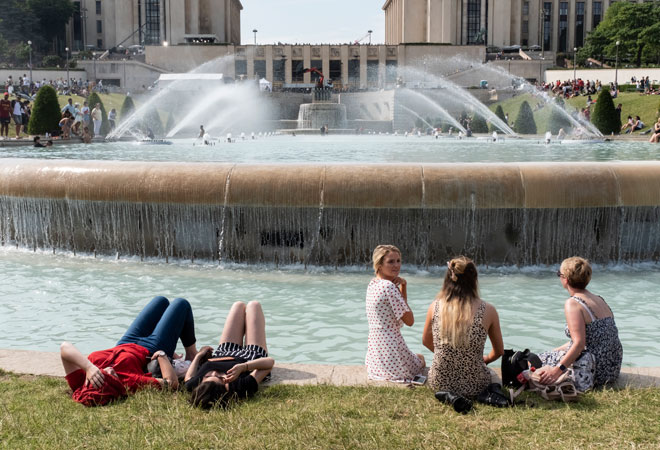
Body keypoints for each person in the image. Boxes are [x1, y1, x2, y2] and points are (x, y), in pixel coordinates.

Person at [60, 296, 198, 406]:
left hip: (125, 342)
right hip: (151, 348)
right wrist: (162, 355)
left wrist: (89, 367)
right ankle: (192, 355)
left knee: (160, 301)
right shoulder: (129, 382)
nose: (111, 371)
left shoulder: (81, 381)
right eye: (112, 378)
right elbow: (170, 384)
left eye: (104, 375)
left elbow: (64, 347)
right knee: (181, 304)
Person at [535, 257, 622, 392]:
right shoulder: (599, 299)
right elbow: (592, 339)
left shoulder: (573, 303)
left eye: (559, 274)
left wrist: (557, 371)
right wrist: (555, 351)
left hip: (594, 369)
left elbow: (579, 344)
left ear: (565, 279)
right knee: (548, 354)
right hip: (611, 368)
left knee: (533, 362)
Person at [422, 256, 504, 399]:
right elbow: (499, 351)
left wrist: (448, 355)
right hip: (476, 386)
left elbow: (426, 341)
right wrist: (485, 360)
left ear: (448, 278)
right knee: (494, 376)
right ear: (474, 279)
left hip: (439, 383)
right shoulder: (488, 310)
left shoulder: (434, 306)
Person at [185, 301, 274, 409]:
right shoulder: (239, 387)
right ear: (225, 387)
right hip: (250, 356)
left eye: (207, 376)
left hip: (224, 352)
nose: (214, 372)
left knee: (238, 305)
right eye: (219, 377)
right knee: (254, 305)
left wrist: (199, 356)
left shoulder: (196, 384)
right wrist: (244, 367)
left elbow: (188, 378)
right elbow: (269, 363)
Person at [365, 245, 425, 383]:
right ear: (379, 265)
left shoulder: (372, 284)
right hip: (392, 351)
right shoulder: (389, 287)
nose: (396, 265)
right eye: (391, 262)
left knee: (415, 356)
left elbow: (398, 313)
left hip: (375, 353)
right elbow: (409, 321)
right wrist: (403, 287)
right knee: (421, 359)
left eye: (398, 261)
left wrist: (402, 287)